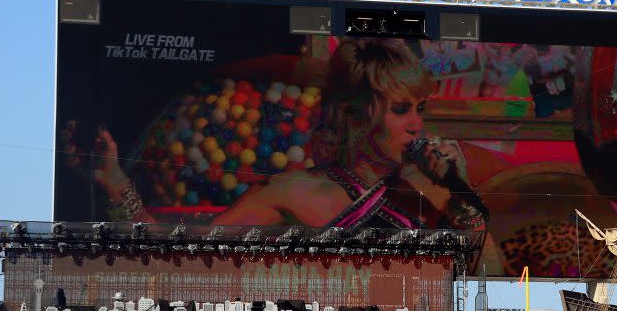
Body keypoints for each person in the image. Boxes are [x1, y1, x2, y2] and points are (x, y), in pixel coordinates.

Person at [82, 38, 487, 237]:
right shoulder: (293, 191)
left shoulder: (435, 192)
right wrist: (118, 185)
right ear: (356, 115)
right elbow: (183, 256)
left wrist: (459, 187)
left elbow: (476, 273)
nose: (417, 125)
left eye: (421, 109)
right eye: (401, 109)